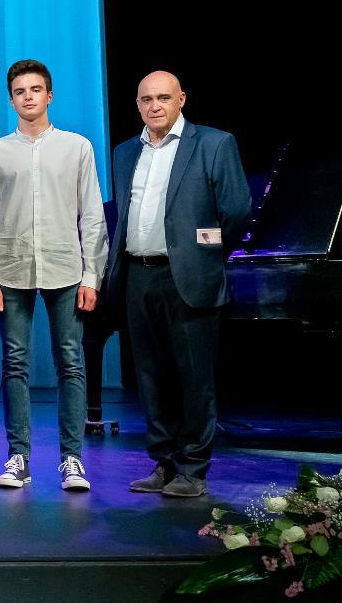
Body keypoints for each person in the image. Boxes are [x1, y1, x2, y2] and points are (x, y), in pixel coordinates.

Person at [106, 70, 250, 498]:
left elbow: (236, 210)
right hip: (137, 275)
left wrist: (204, 254)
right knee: (151, 376)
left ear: (181, 99)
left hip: (188, 276)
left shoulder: (213, 143)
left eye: (164, 98)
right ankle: (164, 463)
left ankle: (193, 468)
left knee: (193, 378)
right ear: (137, 105)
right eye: (146, 99)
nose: (155, 106)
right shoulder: (125, 152)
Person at [0, 59, 107, 491]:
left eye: (35, 89)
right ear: (11, 99)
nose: (28, 97)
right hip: (11, 267)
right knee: (14, 362)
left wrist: (92, 276)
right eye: (20, 91)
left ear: (49, 95)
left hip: (65, 266)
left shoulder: (77, 147)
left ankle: (72, 459)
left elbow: (92, 215)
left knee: (70, 361)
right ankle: (19, 457)